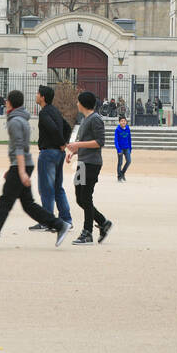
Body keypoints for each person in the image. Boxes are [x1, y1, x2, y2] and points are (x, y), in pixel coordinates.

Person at [0, 90, 71, 249]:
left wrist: (19, 171)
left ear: (10, 103)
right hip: (23, 164)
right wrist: (15, 168)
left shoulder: (14, 121)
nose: (5, 103)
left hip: (21, 166)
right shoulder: (22, 119)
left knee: (5, 202)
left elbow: (19, 148)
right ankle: (59, 224)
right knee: (28, 205)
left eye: (6, 101)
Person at [65, 91, 112, 245]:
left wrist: (77, 145)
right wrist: (73, 152)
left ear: (83, 103)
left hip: (92, 163)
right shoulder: (85, 119)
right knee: (80, 198)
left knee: (86, 197)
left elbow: (99, 142)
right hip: (83, 163)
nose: (77, 104)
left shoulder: (96, 119)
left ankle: (87, 232)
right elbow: (85, 142)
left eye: (78, 102)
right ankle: (103, 222)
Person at [31, 85, 73, 232]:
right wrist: (64, 143)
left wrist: (62, 143)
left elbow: (53, 129)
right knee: (57, 188)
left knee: (46, 188)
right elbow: (67, 127)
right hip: (58, 154)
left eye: (37, 93)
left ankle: (47, 221)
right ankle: (66, 219)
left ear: (42, 97)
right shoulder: (55, 111)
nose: (36, 95)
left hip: (48, 153)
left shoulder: (44, 113)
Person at [114, 114, 132, 181]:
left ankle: (122, 173)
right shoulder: (117, 130)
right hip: (120, 148)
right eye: (122, 121)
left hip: (127, 147)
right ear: (119, 122)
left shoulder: (128, 128)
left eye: (124, 121)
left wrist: (130, 148)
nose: (123, 122)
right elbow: (116, 140)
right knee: (120, 163)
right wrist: (118, 149)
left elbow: (129, 139)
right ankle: (119, 176)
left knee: (129, 161)